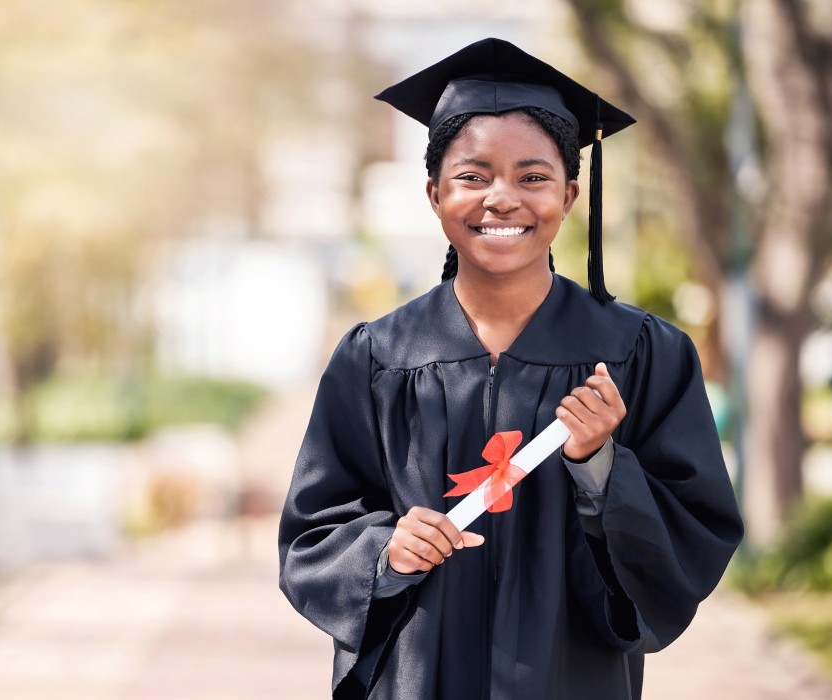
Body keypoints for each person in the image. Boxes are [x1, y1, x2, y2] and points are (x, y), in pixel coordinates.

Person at [277, 38, 744, 700]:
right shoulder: (377, 356)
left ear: (571, 194)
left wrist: (601, 467)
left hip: (570, 678)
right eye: (472, 176)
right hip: (416, 678)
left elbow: (695, 531)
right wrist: (384, 550)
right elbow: (315, 528)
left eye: (533, 177)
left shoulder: (641, 353)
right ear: (435, 193)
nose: (502, 199)